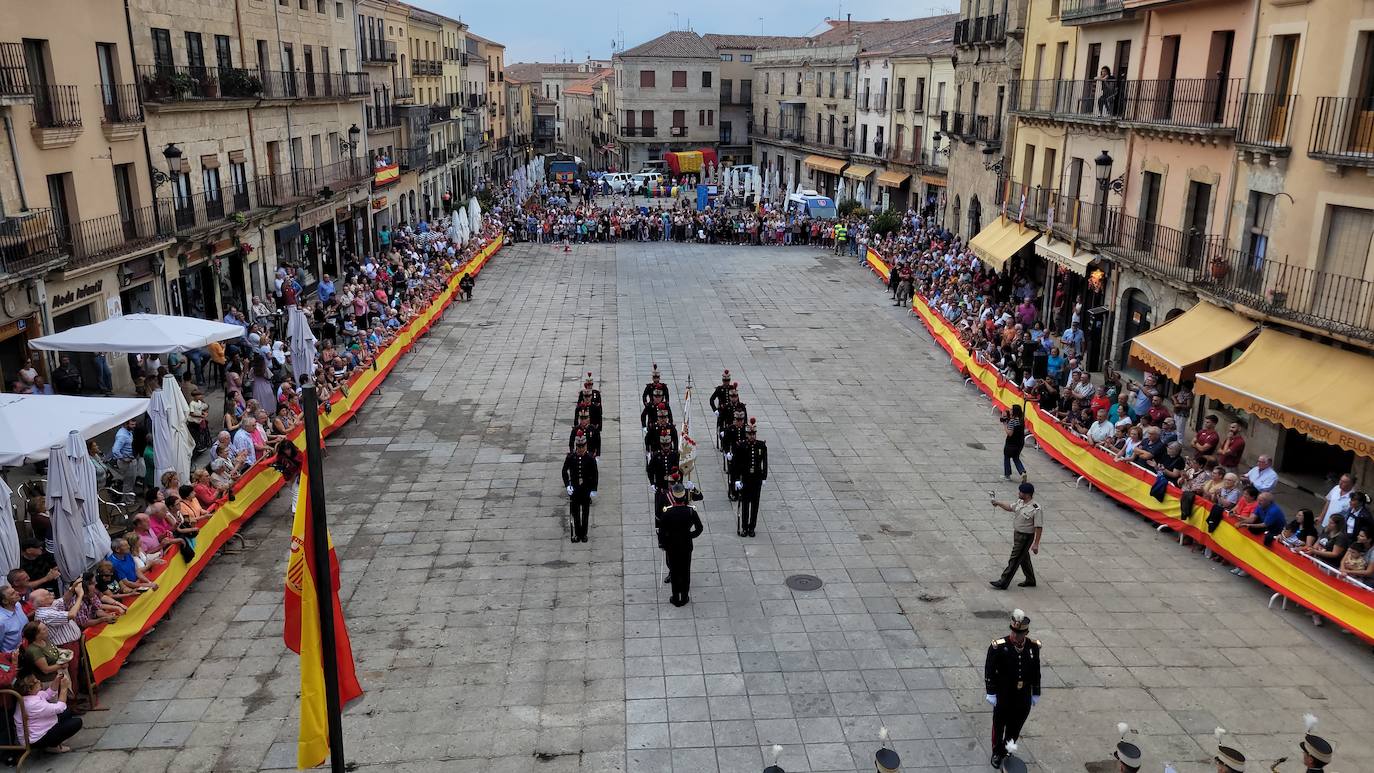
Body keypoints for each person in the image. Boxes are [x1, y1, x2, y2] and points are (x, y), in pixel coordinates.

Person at [985, 609, 1041, 769]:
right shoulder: (999, 647)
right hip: (1004, 694)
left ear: (1026, 632)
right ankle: (997, 752)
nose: (1016, 636)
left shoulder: (1032, 647)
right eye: (1014, 632)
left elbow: (1036, 671)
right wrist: (991, 691)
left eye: (1020, 633)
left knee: (1015, 726)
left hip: (1023, 695)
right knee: (999, 724)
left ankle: (1008, 750)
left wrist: (1036, 692)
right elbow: (989, 669)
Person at [656, 481, 703, 606]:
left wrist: (662, 544)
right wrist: (690, 535)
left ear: (674, 496)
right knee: (685, 570)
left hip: (672, 545)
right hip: (686, 544)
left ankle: (676, 597)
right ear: (683, 496)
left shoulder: (667, 512)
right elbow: (699, 528)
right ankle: (685, 596)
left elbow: (662, 531)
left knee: (675, 571)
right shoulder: (690, 511)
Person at [990, 483, 1043, 589]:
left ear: (1027, 494)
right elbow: (1010, 507)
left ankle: (1003, 582)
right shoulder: (1020, 502)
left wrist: (1036, 544)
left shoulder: (1036, 509)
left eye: (1021, 492)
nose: (1019, 493)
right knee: (1023, 558)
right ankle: (1030, 579)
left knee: (1014, 559)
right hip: (1017, 534)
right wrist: (998, 503)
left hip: (1025, 537)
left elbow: (1039, 527)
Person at [13, 671, 81, 753]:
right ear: (29, 689)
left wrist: (56, 681)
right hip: (36, 739)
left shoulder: (31, 696)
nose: (39, 681)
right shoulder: (32, 704)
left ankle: (53, 741)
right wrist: (64, 688)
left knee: (67, 712)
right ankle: (51, 745)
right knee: (76, 722)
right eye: (36, 682)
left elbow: (48, 694)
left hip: (40, 727)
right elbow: (60, 707)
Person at [729, 418, 768, 538]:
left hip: (756, 479)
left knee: (755, 505)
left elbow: (765, 463)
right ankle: (744, 527)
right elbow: (735, 464)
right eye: (750, 434)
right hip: (745, 478)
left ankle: (752, 527)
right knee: (745, 504)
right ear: (746, 435)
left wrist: (764, 477)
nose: (752, 436)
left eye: (754, 434)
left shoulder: (761, 446)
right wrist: (736, 480)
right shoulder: (741, 446)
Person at [561, 432, 597, 543]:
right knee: (576, 514)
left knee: (585, 514)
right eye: (579, 447)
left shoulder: (590, 458)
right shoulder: (571, 457)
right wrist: (567, 485)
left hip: (586, 490)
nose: (581, 449)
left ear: (586, 446)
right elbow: (564, 471)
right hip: (575, 490)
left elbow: (595, 474)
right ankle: (577, 534)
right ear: (576, 446)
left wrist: (594, 489)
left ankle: (584, 534)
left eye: (583, 447)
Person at [1001, 404, 1028, 482]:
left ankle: (1007, 475)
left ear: (1014, 411)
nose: (1010, 410)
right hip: (1020, 443)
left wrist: (1005, 425)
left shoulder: (1012, 421)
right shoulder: (1021, 419)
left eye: (1011, 409)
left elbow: (1010, 433)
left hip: (1011, 443)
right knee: (1016, 458)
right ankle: (1022, 472)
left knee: (1007, 457)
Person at [0, 583, 28, 652]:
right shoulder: (1, 621)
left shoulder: (18, 605)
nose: (17, 593)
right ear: (5, 601)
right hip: (12, 656)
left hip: (28, 648)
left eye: (15, 591)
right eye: (12, 594)